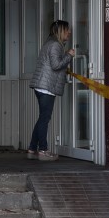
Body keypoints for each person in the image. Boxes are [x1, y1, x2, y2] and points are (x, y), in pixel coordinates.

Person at [26, 20, 75, 161]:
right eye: (67, 30)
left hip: (42, 86)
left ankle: (31, 149)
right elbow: (56, 65)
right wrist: (69, 55)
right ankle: (43, 150)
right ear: (60, 31)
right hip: (46, 87)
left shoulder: (51, 43)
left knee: (42, 118)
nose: (69, 32)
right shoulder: (55, 45)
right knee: (44, 119)